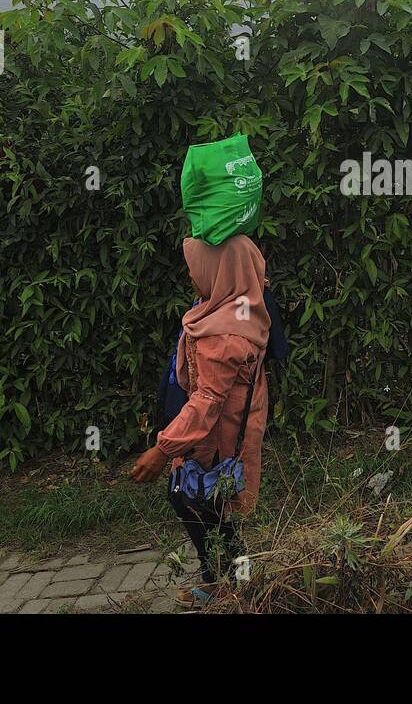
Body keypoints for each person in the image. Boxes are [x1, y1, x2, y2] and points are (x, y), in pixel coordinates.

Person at [130, 234, 270, 606]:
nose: (192, 277)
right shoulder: (242, 302)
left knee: (190, 498)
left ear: (221, 272)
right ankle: (233, 576)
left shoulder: (222, 334)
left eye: (198, 269)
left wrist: (163, 449)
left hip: (215, 434)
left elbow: (207, 400)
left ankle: (226, 580)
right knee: (207, 503)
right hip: (229, 425)